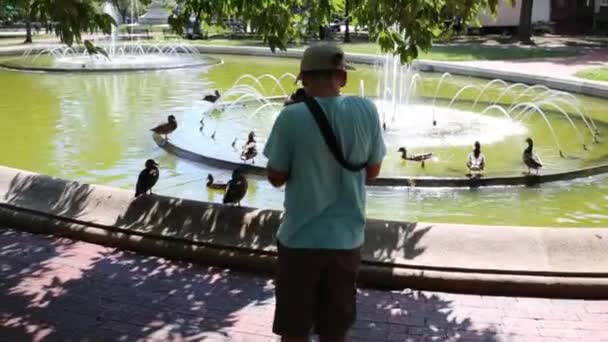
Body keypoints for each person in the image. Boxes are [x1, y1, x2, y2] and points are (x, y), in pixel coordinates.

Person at [263, 43, 386, 342]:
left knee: (295, 330)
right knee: (335, 329)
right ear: (342, 78)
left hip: (300, 239)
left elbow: (275, 177)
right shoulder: (367, 110)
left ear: (304, 79)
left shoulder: (291, 117)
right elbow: (372, 172)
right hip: (347, 241)